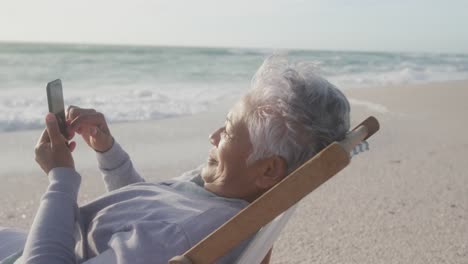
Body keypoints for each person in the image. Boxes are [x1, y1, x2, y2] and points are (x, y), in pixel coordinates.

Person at [0, 56, 350, 264]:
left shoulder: (183, 235)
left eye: (227, 132)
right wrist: (108, 152)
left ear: (269, 170)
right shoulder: (223, 195)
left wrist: (60, 176)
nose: (213, 137)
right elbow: (145, 213)